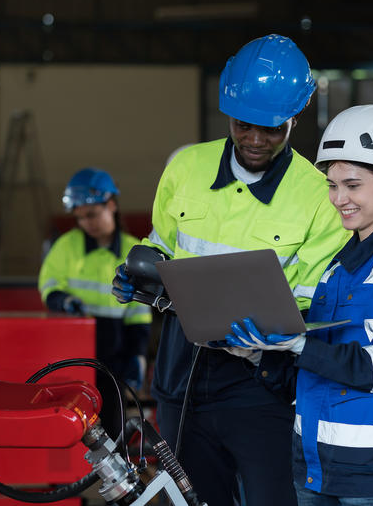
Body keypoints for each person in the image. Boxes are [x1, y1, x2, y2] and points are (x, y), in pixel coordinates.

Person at [113, 35, 349, 506]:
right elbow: (162, 243)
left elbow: (312, 300)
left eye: (272, 129)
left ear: (294, 120)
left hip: (261, 388)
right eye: (244, 125)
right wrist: (140, 273)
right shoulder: (185, 167)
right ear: (228, 113)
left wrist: (260, 333)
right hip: (181, 375)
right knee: (193, 499)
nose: (256, 140)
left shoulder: (318, 195)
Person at [222, 105, 373, 505]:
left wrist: (299, 345)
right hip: (318, 467)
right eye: (332, 185)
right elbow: (317, 367)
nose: (339, 198)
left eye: (353, 185)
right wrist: (261, 352)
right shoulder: (338, 266)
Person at [38, 167, 152, 438]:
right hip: (72, 356)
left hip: (115, 356)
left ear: (111, 204)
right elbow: (49, 284)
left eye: (91, 214)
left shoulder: (133, 252)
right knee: (72, 429)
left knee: (112, 429)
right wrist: (63, 302)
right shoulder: (66, 247)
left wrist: (138, 355)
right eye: (79, 217)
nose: (86, 223)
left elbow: (139, 312)